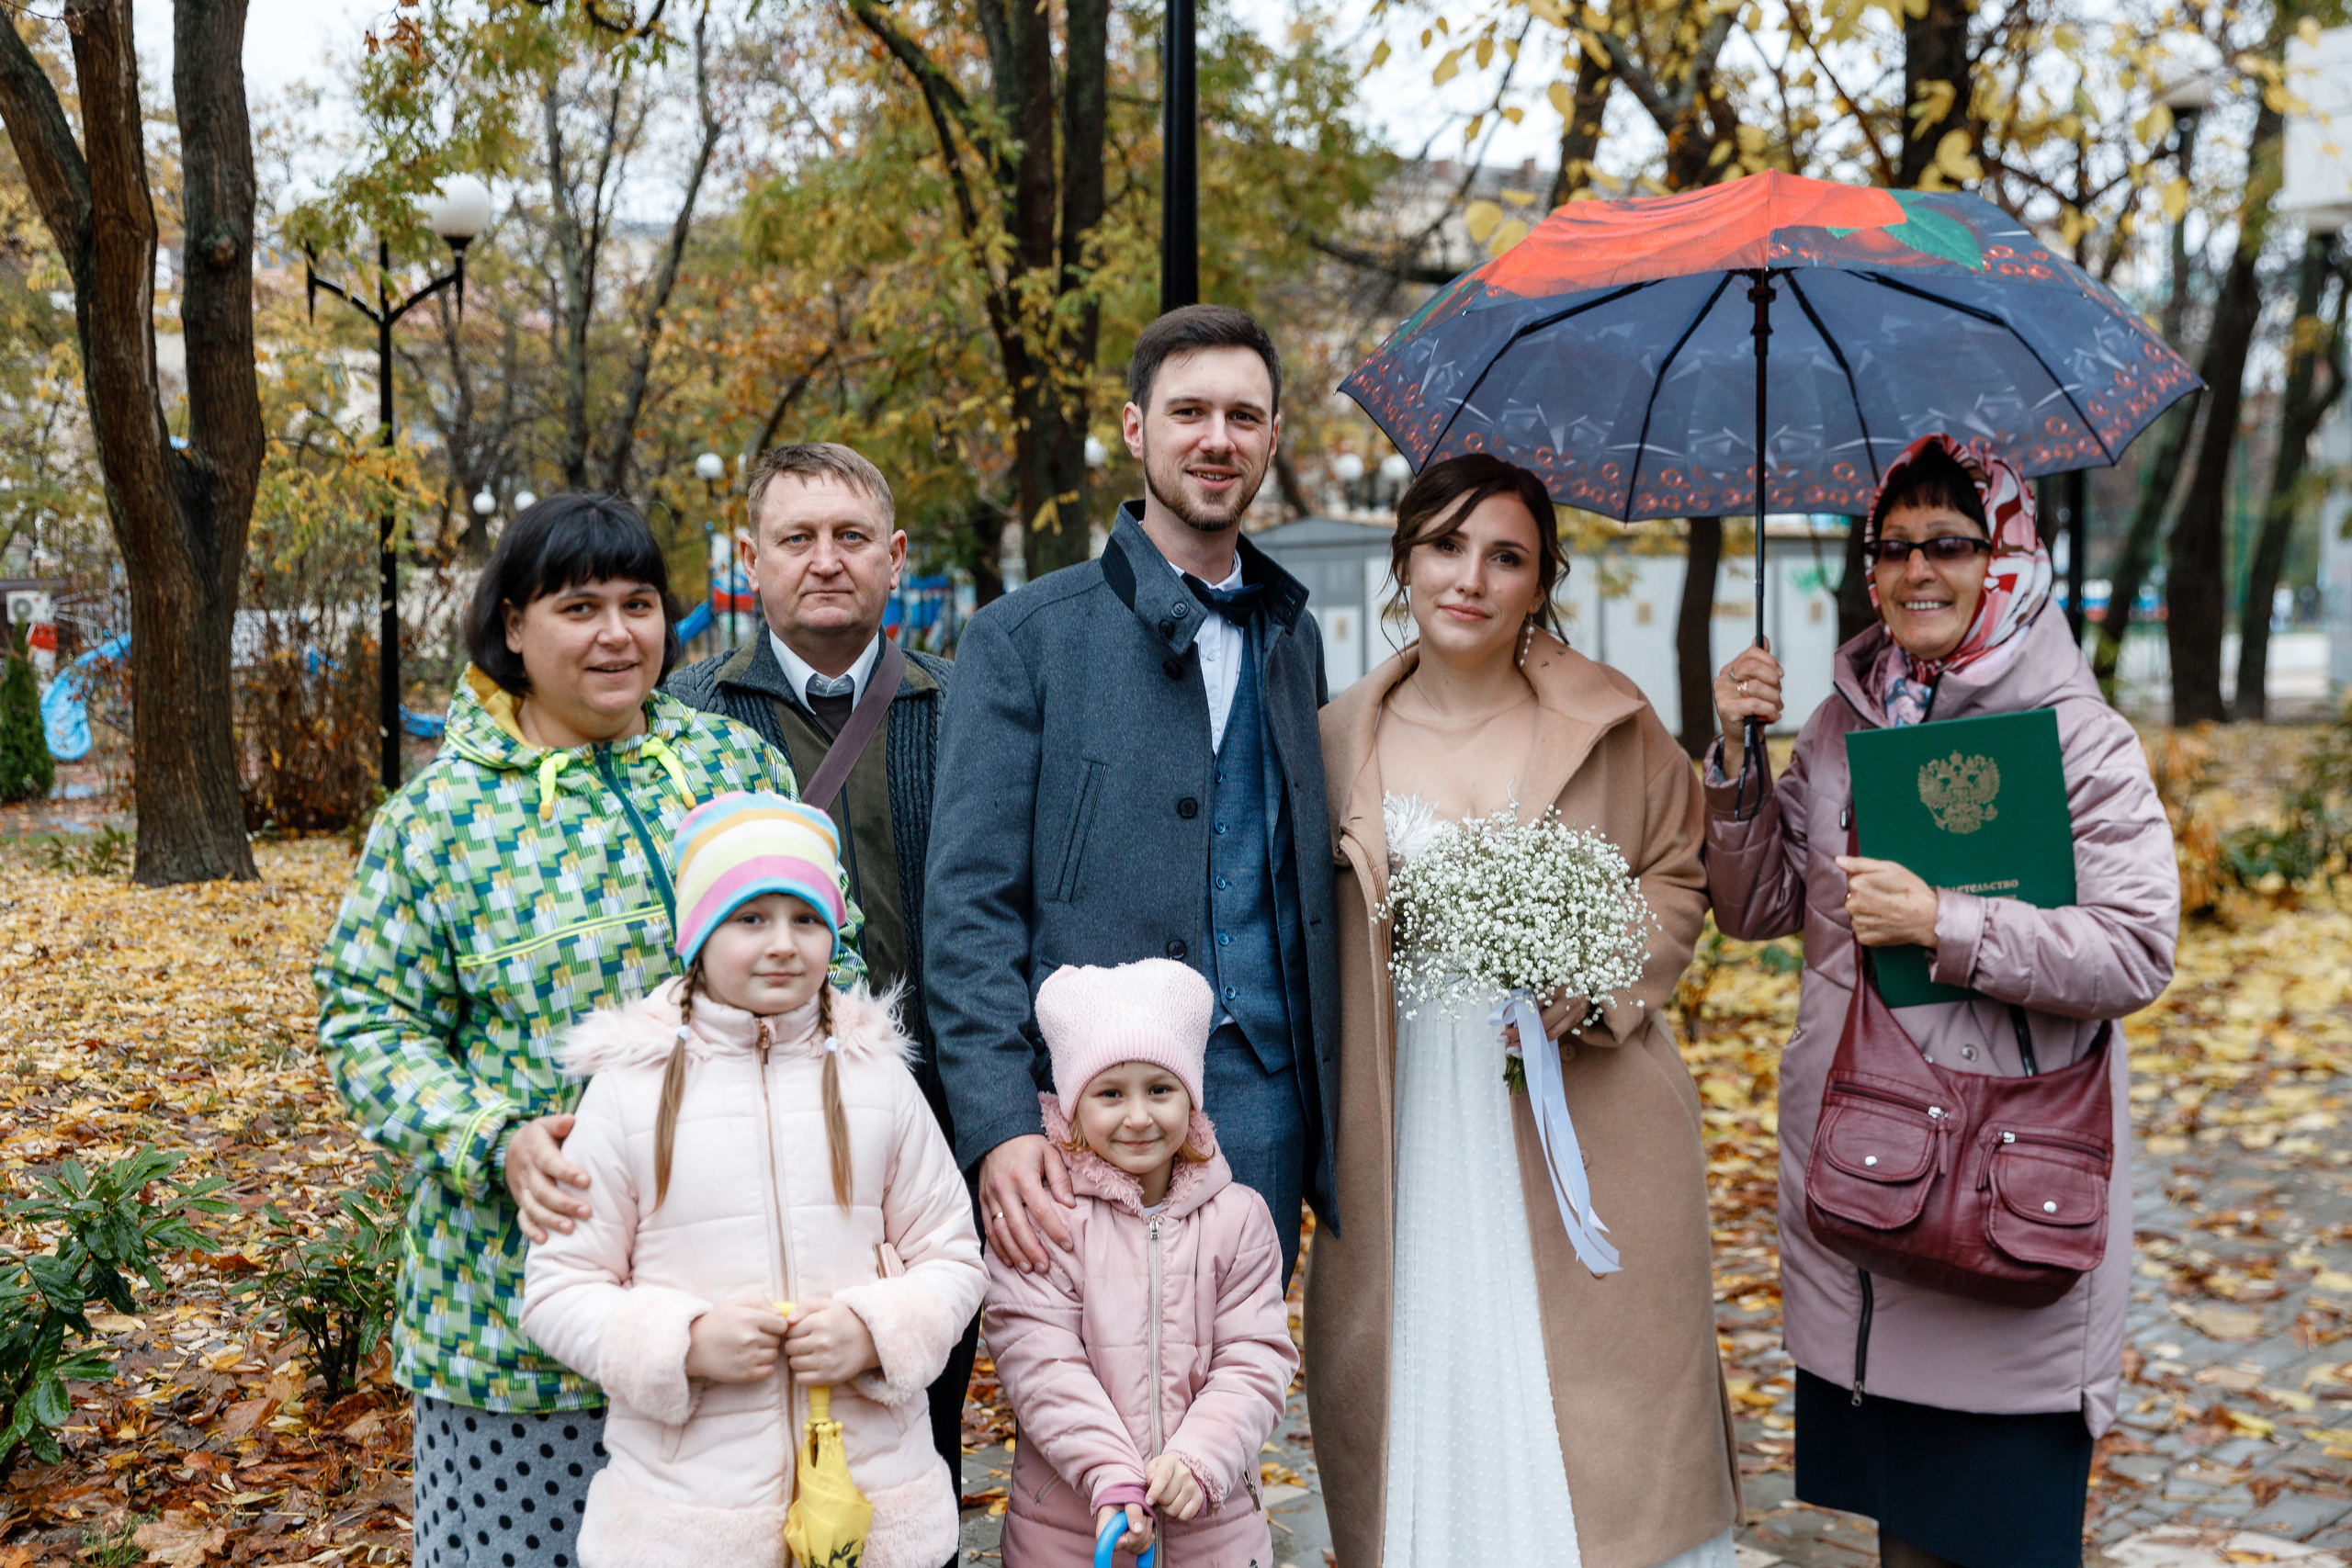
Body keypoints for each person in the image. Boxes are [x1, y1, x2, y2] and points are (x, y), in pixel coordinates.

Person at [315, 495, 823, 1568]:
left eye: (639, 604)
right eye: (578, 606)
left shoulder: (736, 773)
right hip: (517, 1323)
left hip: (731, 1308)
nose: (616, 634)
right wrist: (491, 1137)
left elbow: (841, 960)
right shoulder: (437, 823)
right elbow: (367, 1024)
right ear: (512, 625)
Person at [1706, 434, 2177, 1568]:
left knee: (2001, 1541)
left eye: (1949, 543)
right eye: (1894, 545)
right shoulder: (1838, 725)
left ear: (2007, 555)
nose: (1917, 569)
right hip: (1871, 1188)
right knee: (1906, 1546)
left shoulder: (2079, 741)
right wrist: (1733, 753)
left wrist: (1945, 925)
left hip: (2001, 1193)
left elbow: (2134, 950)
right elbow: (1759, 903)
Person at [1307, 453, 1741, 1568]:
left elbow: (1676, 870)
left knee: (1595, 1439)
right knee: (1426, 1389)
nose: (1472, 578)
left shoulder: (1611, 719)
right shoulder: (1332, 740)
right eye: (1447, 546)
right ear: (1404, 559)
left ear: (1541, 580)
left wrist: (1596, 973)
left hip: (1581, 1117)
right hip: (1407, 1131)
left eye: (1506, 557)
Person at [926, 303, 1338, 1292]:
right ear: (1132, 428)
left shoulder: (1296, 641)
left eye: (1244, 417)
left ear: (1273, 439)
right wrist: (996, 1121)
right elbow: (968, 906)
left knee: (1228, 1415)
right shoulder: (1021, 639)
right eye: (1188, 411)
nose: (1217, 439)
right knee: (1086, 1425)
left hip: (1264, 1102)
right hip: (1083, 1106)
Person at [521, 794, 985, 1568]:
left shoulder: (880, 1079)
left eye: (806, 919)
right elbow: (560, 1287)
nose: (782, 944)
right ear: (697, 934)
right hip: (687, 1525)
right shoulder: (628, 1092)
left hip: (871, 1515)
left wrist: (876, 1330)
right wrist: (684, 1343)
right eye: (750, 918)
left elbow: (954, 1257)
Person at [664, 442, 975, 1488]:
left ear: (894, 557)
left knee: (915, 1415)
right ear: (752, 559)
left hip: (923, 1128)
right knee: (754, 1425)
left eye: (850, 538)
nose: (825, 560)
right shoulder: (688, 717)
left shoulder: (965, 704)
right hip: (741, 1126)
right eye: (797, 538)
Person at [982, 958, 1297, 1568]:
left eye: (1160, 1088)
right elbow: (1037, 1359)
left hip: (1216, 1532)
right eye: (1109, 1093)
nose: (1137, 1116)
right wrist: (1112, 1475)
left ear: (1192, 1096)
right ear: (1073, 1105)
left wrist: (1199, 1458)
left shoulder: (1239, 1218)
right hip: (1071, 1532)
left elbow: (1255, 1357)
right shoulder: (1047, 1219)